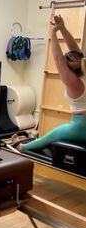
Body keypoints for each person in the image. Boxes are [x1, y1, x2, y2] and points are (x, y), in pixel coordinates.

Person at [13, 15, 86, 153]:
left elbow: (58, 59)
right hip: (81, 126)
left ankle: (21, 147)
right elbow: (74, 48)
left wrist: (53, 32)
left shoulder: (74, 84)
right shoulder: (85, 70)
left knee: (45, 139)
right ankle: (46, 151)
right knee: (48, 144)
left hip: (80, 127)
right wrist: (62, 28)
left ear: (68, 69)